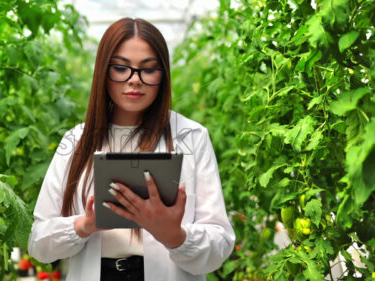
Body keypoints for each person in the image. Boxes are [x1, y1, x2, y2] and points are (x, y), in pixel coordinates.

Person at [28, 17, 235, 281]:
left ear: (163, 75)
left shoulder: (192, 137)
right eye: (121, 68)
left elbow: (220, 245)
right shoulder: (76, 141)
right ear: (104, 71)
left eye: (148, 70)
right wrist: (85, 225)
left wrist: (175, 236)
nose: (135, 80)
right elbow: (39, 244)